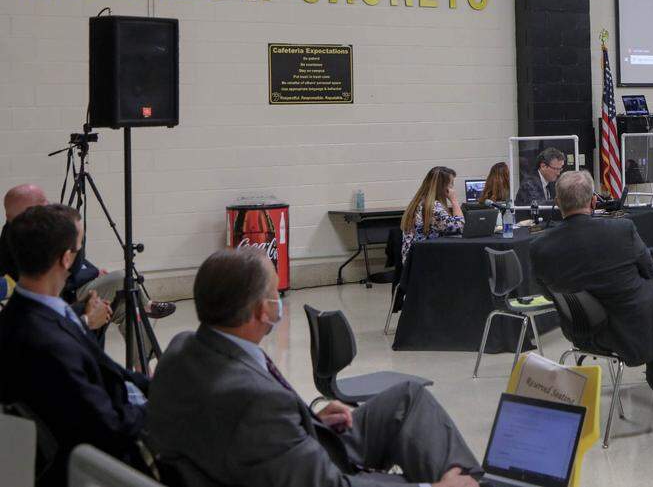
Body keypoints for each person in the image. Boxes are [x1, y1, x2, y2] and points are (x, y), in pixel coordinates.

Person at [146, 247, 480, 487]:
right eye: (275, 292)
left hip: (282, 449)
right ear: (264, 310)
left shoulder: (183, 347)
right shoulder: (256, 403)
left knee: (408, 398)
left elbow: (242, 427)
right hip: (307, 468)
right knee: (447, 476)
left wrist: (305, 420)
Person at [0, 204, 150, 487]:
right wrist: (160, 407)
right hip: (113, 454)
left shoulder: (34, 312)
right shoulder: (46, 341)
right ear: (67, 258)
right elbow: (108, 427)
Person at [529, 171, 653, 415]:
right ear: (593, 201)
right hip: (633, 328)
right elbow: (647, 269)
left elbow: (548, 294)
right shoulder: (621, 229)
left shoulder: (539, 246)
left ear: (557, 203)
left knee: (647, 304)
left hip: (580, 331)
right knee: (652, 304)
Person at [1, 184, 174, 343]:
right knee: (123, 277)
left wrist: (95, 271)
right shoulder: (24, 241)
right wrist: (93, 276)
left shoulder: (35, 231)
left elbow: (78, 264)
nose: (47, 204)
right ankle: (147, 305)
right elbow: (67, 277)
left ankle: (145, 369)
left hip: (74, 289)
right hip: (69, 294)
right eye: (41, 203)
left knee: (126, 309)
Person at [400, 166, 464, 263]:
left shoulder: (420, 201)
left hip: (414, 261)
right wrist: (454, 201)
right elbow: (460, 227)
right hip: (424, 262)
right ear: (443, 186)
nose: (452, 188)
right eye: (451, 184)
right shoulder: (433, 206)